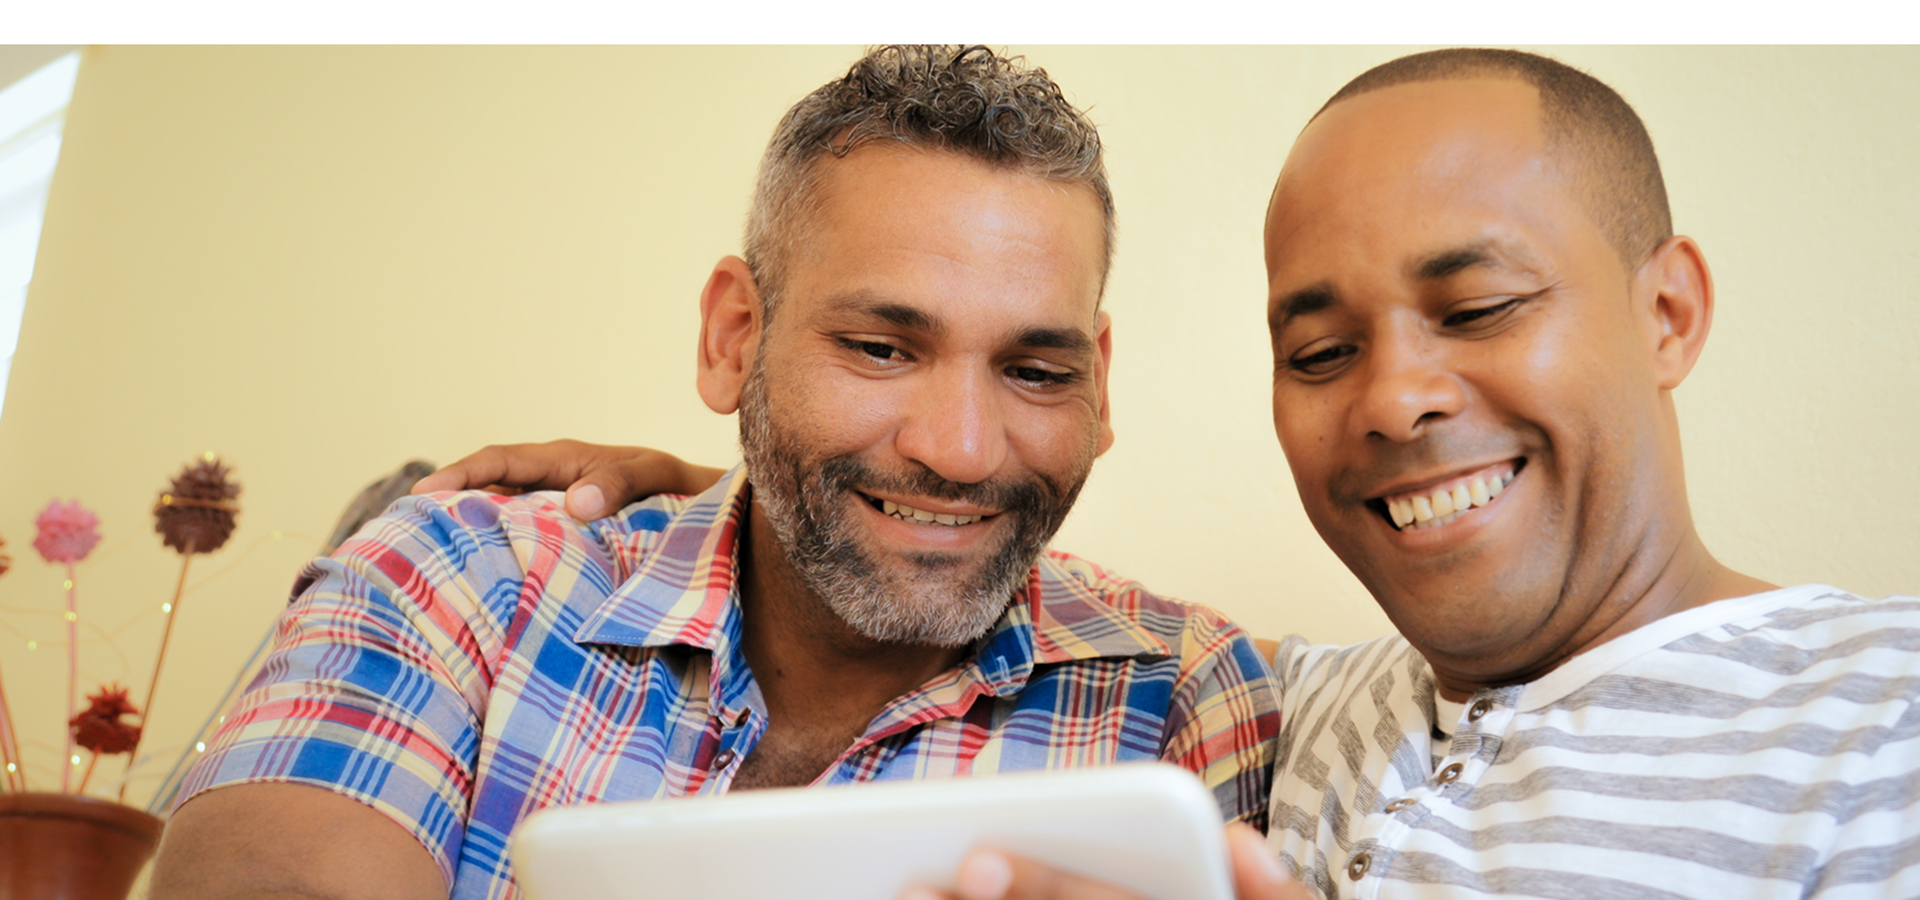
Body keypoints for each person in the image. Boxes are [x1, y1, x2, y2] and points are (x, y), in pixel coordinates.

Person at [444, 49, 1920, 900]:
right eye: (1320, 348)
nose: (1399, 397)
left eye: (1476, 310)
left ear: (1668, 314)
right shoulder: (1295, 707)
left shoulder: (1885, 717)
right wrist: (744, 489)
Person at [147, 46, 1279, 900]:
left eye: (1036, 369)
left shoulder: (1186, 693)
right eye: (882, 349)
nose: (961, 448)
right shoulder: (458, 578)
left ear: (1102, 384)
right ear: (734, 336)